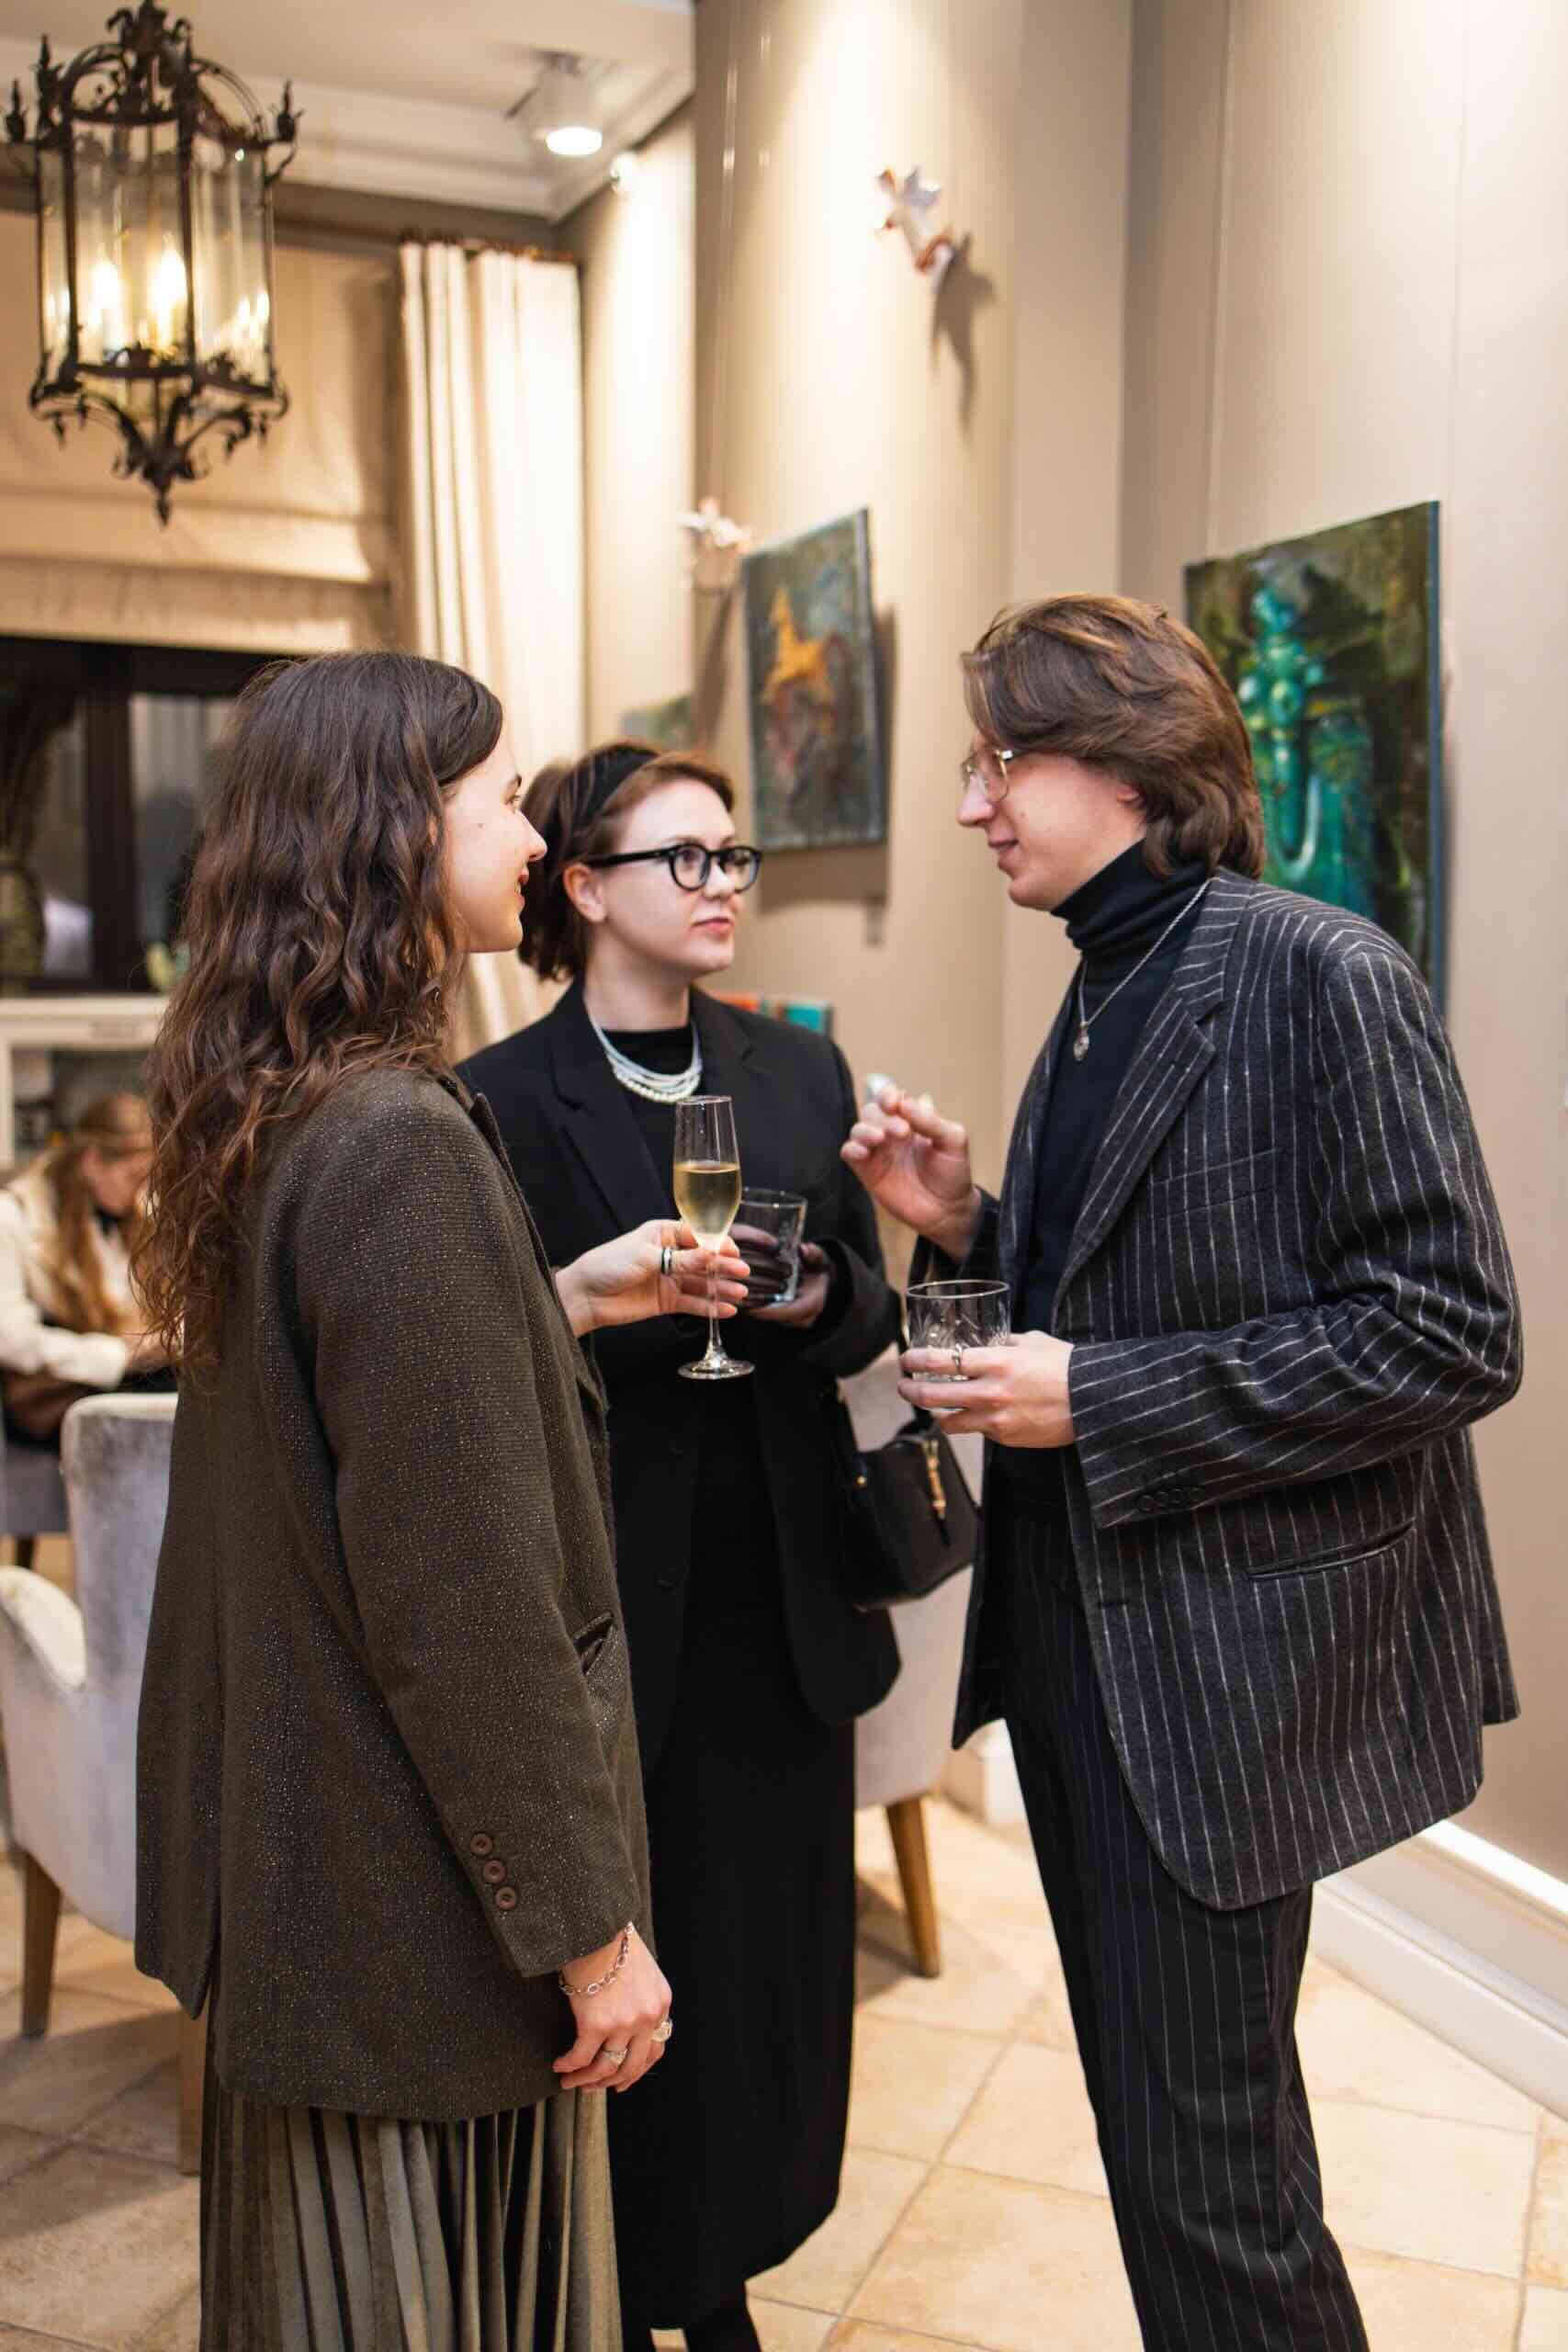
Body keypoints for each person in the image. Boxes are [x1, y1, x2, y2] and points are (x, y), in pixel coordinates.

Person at [844, 595, 1521, 2352]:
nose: (974, 802)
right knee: (1164, 2159)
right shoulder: (1102, 984)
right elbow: (1131, 1289)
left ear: (1133, 765)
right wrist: (969, 1224)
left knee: (1215, 2193)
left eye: (1002, 760)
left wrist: (1101, 1395)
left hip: (1219, 1684)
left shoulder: (1320, 974)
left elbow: (1451, 1334)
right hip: (1088, 1653)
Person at [133, 655, 749, 2351]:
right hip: (404, 1911)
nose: (533, 840)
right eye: (497, 802)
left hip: (305, 1877)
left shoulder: (283, 1107)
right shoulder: (397, 1142)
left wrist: (550, 1303)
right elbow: (463, 1610)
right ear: (389, 830)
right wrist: (589, 1937)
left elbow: (333, 1426)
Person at [461, 741, 901, 2352]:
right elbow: (480, 1366)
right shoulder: (495, 1101)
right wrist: (623, 1301)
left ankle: (727, 2269)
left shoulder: (796, 1072)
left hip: (779, 1594)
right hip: (607, 1595)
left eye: (733, 857)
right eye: (684, 859)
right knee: (636, 1964)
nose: (722, 887)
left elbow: (865, 1309)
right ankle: (636, 2286)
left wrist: (809, 1294)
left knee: (770, 1968)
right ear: (584, 888)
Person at [0, 1092, 170, 1441]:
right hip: (57, 1408)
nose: (143, 1190)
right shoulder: (13, 1217)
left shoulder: (129, 1210)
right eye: (134, 1175)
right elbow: (12, 1339)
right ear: (92, 1163)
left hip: (123, 1392)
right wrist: (117, 1356)